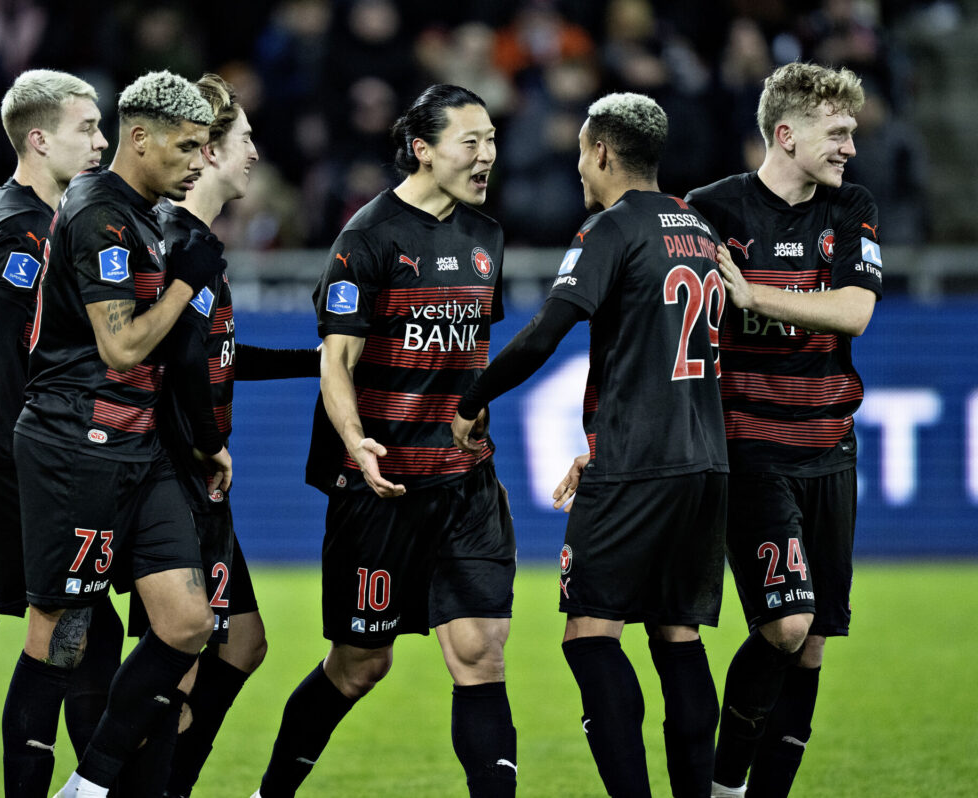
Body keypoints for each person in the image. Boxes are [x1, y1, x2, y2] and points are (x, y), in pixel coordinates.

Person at [451, 92, 728, 798]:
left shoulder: (611, 229)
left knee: (590, 636)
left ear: (602, 151)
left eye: (582, 152)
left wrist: (471, 399)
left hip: (637, 462)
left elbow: (546, 333)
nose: (578, 167)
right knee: (677, 636)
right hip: (705, 461)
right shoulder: (698, 229)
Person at [254, 84, 517, 798]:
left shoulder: (487, 236)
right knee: (360, 664)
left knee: (479, 654)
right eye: (472, 141)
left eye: (492, 140)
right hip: (382, 485)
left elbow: (468, 353)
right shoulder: (367, 238)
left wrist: (473, 416)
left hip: (463, 483)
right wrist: (356, 440)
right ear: (423, 149)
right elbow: (334, 360)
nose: (487, 154)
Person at [2, 70, 227, 798]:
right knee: (57, 637)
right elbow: (122, 348)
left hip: (142, 447)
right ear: (141, 138)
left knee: (190, 622)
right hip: (76, 446)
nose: (202, 160)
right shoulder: (100, 212)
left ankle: (91, 785)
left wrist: (201, 439)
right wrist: (188, 286)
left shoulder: (148, 215)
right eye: (189, 145)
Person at [684, 62, 882, 798]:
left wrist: (753, 294)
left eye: (853, 133)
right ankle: (724, 784)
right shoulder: (710, 210)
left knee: (815, 646)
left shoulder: (851, 207)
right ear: (785, 134)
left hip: (831, 447)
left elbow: (855, 311)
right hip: (751, 446)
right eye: (837, 133)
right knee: (788, 625)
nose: (849, 148)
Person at [133, 72, 321, 798]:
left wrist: (322, 362)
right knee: (179, 660)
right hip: (172, 481)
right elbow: (164, 366)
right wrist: (207, 442)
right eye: (244, 140)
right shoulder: (174, 245)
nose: (253, 155)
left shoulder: (199, 245)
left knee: (241, 643)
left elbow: (216, 359)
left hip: (195, 480)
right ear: (207, 151)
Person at [0, 69, 107, 704]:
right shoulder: (28, 230)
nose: (102, 142)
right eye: (88, 128)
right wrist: (38, 449)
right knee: (82, 624)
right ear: (39, 140)